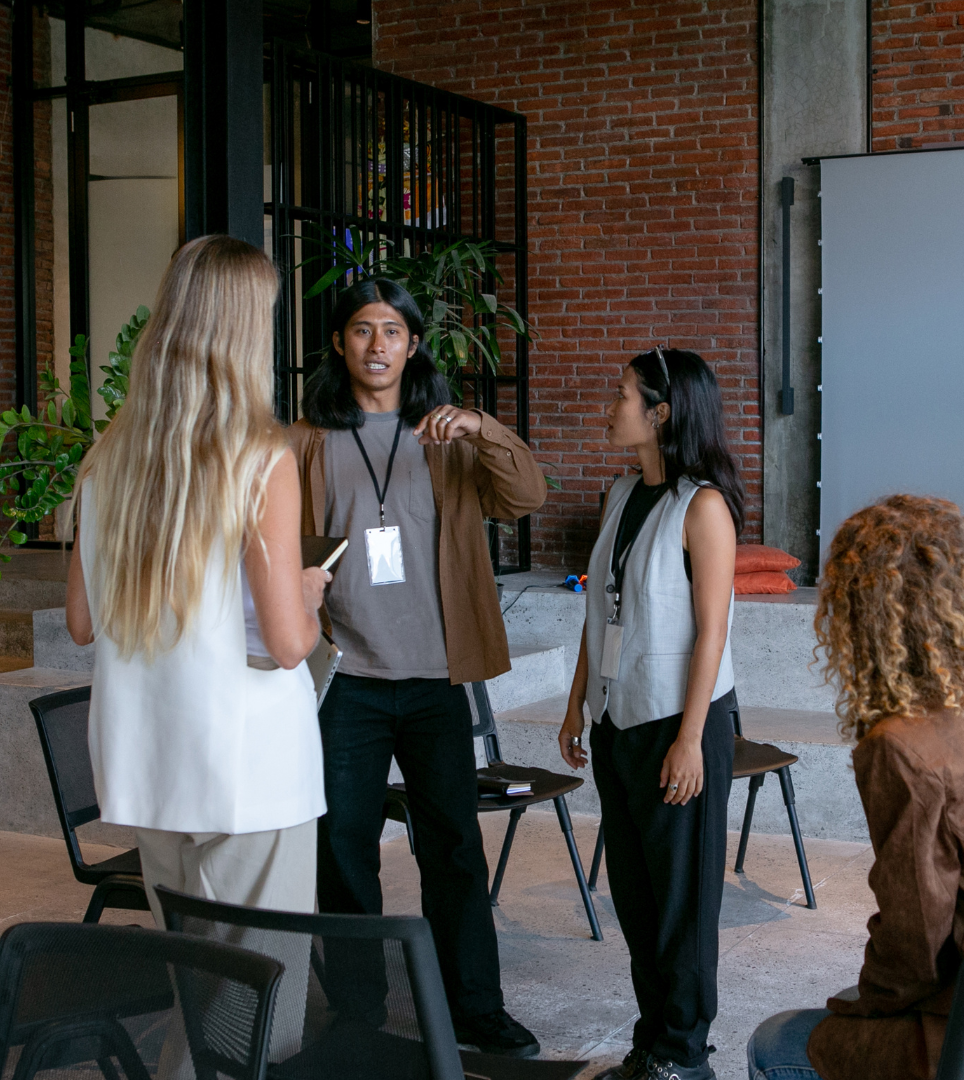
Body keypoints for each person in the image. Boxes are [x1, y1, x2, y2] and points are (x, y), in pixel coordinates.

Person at [287, 277, 547, 1057]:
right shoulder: (305, 441)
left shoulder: (448, 434)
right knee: (344, 851)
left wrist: (482, 426)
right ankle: (360, 1012)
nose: (377, 345)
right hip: (348, 682)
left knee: (454, 848)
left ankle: (476, 1006)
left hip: (435, 679)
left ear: (412, 344)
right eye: (362, 330)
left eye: (392, 331)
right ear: (339, 343)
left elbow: (526, 495)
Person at [65, 234, 329, 926]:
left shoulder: (108, 459)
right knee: (258, 999)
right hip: (251, 763)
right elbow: (288, 645)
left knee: (195, 978)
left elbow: (81, 623)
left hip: (152, 755)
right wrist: (304, 597)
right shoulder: (260, 458)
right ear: (248, 330)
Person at [559, 348, 744, 1080]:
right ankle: (653, 1040)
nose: (612, 406)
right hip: (618, 717)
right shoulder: (620, 493)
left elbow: (713, 630)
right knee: (636, 897)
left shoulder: (703, 506)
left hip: (679, 722)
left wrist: (693, 739)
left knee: (681, 905)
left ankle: (685, 1055)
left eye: (623, 395)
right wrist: (577, 700)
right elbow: (599, 612)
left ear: (660, 412)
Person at [748, 494, 964, 1080]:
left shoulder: (902, 747)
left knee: (777, 1042)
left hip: (954, 1026)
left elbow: (915, 939)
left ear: (858, 611)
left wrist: (860, 1008)